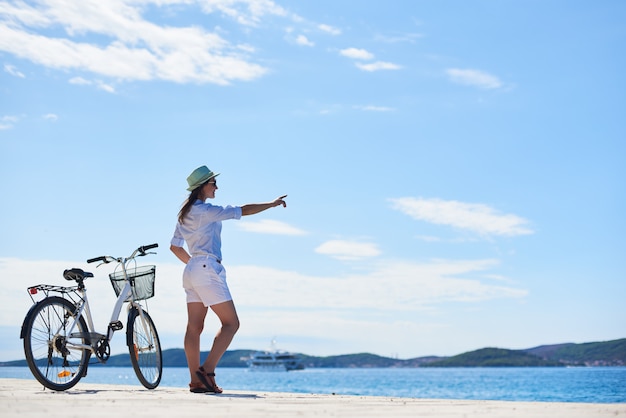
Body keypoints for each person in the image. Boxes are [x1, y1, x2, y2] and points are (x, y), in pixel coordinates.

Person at [170, 165, 287, 393]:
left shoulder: (184, 215)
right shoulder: (205, 210)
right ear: (202, 186)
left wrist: (194, 266)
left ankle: (195, 381)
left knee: (194, 328)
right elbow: (243, 210)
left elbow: (174, 247)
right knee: (231, 324)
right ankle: (207, 371)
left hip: (192, 269)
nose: (217, 186)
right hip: (206, 267)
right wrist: (271, 204)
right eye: (213, 183)